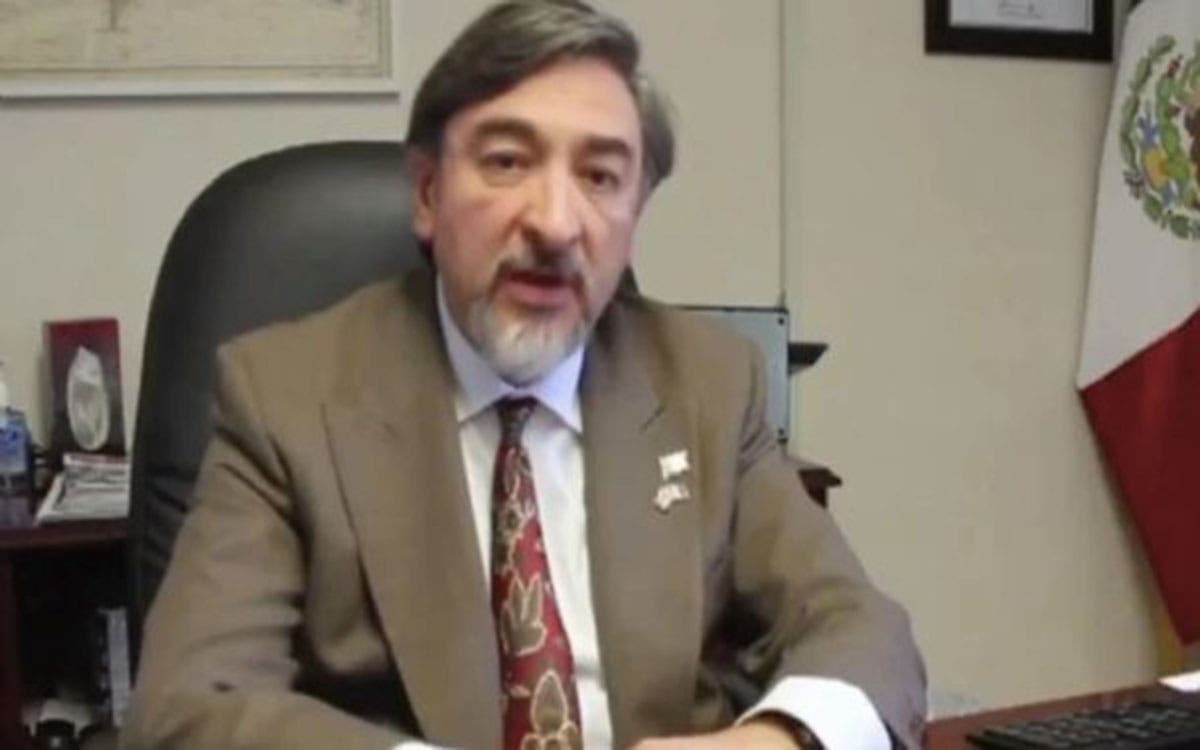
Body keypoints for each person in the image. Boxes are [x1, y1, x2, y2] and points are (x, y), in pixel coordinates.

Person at [121, 1, 926, 748]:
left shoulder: (707, 383)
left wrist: (776, 740)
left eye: (600, 177)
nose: (555, 224)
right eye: (508, 162)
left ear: (634, 218)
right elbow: (189, 705)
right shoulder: (286, 396)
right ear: (428, 194)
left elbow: (862, 629)